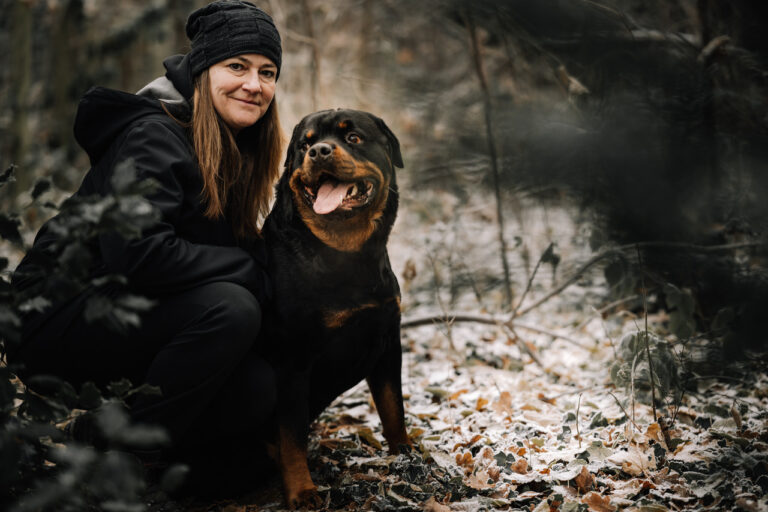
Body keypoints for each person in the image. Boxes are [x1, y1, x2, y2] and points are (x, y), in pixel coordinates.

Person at [10, 0, 282, 467]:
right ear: (202, 70)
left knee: (256, 389)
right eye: (237, 66)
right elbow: (137, 253)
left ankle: (99, 433)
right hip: (56, 317)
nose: (254, 85)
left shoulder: (231, 146)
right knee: (232, 308)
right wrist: (248, 271)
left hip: (131, 314)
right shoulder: (154, 134)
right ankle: (131, 460)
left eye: (268, 71)